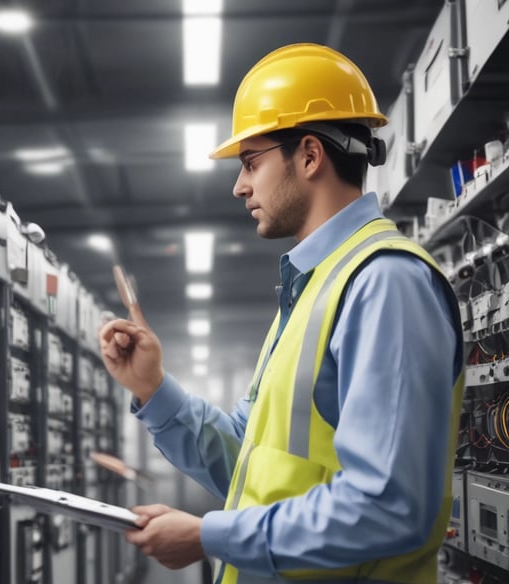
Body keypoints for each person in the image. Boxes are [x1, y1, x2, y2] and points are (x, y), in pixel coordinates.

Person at [99, 43, 464, 584]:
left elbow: (390, 507)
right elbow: (247, 462)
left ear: (310, 155)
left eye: (251, 163)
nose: (239, 185)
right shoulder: (315, 288)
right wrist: (153, 389)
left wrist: (209, 535)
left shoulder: (384, 284)